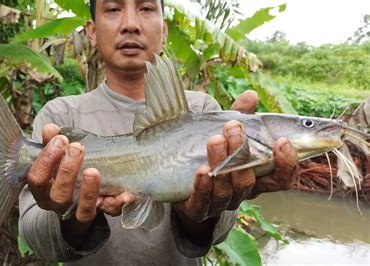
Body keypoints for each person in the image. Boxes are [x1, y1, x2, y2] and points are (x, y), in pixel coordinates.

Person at [18, 0, 298, 264]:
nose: (130, 24)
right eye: (113, 9)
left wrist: (197, 213)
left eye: (146, 8)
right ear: (91, 31)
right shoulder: (60, 116)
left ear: (164, 31)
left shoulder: (204, 110)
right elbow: (33, 234)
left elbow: (220, 228)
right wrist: (74, 218)